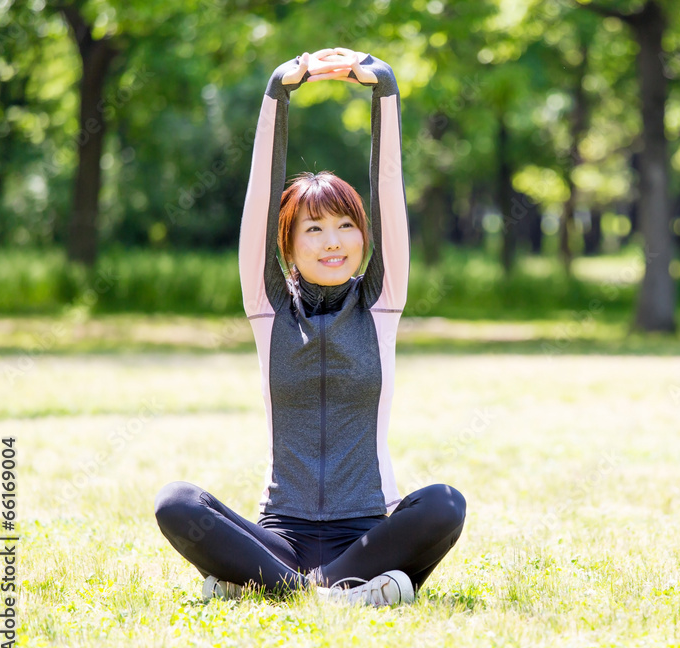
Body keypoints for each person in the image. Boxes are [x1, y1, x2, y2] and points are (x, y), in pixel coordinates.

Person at [153, 48, 466, 607]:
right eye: (314, 228)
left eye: (346, 226)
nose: (333, 241)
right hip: (280, 536)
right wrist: (278, 93)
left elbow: (388, 188)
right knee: (176, 502)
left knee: (446, 503)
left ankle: (284, 589)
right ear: (290, 245)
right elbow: (258, 200)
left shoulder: (381, 305)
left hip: (368, 532)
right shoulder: (268, 309)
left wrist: (385, 93)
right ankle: (348, 592)